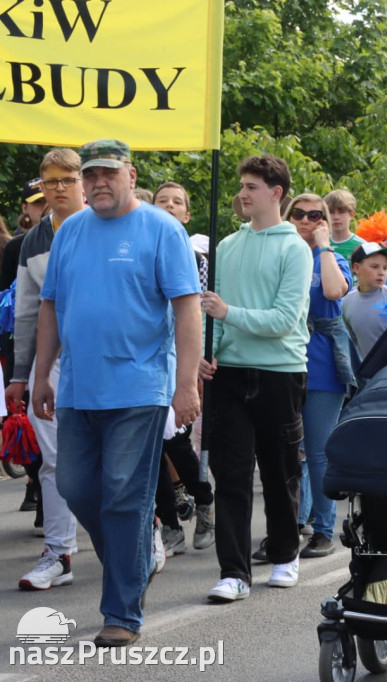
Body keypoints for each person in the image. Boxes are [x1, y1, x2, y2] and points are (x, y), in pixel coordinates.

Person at [32, 139, 202, 646]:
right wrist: (42, 374)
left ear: (130, 174)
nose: (99, 182)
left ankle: (122, 613)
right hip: (78, 387)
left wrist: (186, 382)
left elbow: (187, 308)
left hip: (140, 386)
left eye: (109, 172)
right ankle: (138, 558)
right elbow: (50, 307)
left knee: (125, 496)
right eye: (92, 175)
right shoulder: (71, 231)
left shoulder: (162, 229)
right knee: (77, 487)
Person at [200, 155, 312, 602]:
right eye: (242, 185)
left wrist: (228, 314)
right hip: (229, 374)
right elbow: (216, 318)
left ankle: (285, 555)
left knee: (279, 470)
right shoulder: (227, 246)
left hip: (280, 372)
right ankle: (234, 572)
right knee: (230, 473)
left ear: (276, 193)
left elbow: (285, 320)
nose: (243, 194)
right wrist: (210, 352)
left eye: (252, 187)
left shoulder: (295, 248)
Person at [7, 148, 86, 591]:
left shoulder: (107, 224)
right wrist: (21, 374)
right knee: (55, 460)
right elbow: (26, 310)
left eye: (66, 179)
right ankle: (59, 551)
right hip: (50, 361)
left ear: (81, 181)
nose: (57, 188)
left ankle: (141, 532)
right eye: (49, 181)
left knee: (110, 456)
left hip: (105, 357)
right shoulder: (34, 239)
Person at [284, 193, 352, 559]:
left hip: (322, 366)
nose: (306, 220)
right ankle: (289, 527)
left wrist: (324, 245)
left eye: (315, 215)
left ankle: (324, 530)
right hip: (281, 362)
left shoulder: (330, 257)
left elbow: (332, 290)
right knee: (287, 453)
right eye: (299, 214)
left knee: (318, 451)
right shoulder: (280, 253)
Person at [151, 181, 215, 553]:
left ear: (187, 214)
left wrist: (195, 368)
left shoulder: (195, 259)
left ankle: (204, 499)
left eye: (177, 202)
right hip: (145, 358)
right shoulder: (140, 246)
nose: (169, 206)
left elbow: (199, 313)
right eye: (162, 201)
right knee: (151, 449)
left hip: (179, 358)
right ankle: (170, 523)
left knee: (175, 442)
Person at [341, 242, 387, 357]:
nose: (381, 273)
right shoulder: (347, 302)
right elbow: (354, 341)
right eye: (374, 267)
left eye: (385, 268)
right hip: (365, 372)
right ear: (356, 268)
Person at [324, 189, 365, 263]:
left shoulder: (362, 246)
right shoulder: (322, 243)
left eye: (341, 212)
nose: (336, 217)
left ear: (351, 214)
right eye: (331, 212)